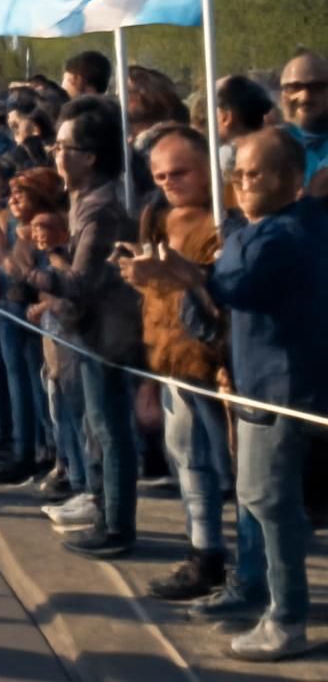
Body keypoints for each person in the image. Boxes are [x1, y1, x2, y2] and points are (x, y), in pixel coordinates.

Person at [127, 127, 328, 662]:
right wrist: (195, 273)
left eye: (256, 174)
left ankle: (285, 618)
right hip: (258, 382)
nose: (244, 184)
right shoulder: (270, 227)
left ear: (291, 177)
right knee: (267, 500)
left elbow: (234, 285)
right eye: (238, 174)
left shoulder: (286, 232)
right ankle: (273, 601)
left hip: (277, 389)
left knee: (267, 500)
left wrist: (185, 273)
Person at [9, 97, 142, 558]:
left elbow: (82, 282)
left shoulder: (101, 208)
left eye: (64, 147)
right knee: (96, 427)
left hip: (107, 335)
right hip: (87, 332)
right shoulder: (83, 200)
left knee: (110, 430)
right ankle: (103, 512)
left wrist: (29, 270)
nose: (56, 154)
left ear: (90, 157)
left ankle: (116, 525)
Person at [114, 126, 230, 602]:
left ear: (206, 169)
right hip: (168, 358)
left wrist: (184, 275)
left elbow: (222, 297)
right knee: (187, 459)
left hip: (217, 365)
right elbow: (153, 301)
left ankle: (244, 570)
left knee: (235, 474)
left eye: (179, 173)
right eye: (160, 176)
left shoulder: (225, 220)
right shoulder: (157, 216)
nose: (169, 183)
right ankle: (204, 553)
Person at [278, 49, 328, 189]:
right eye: (294, 87)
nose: (305, 97)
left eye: (316, 87)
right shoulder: (263, 150)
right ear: (282, 95)